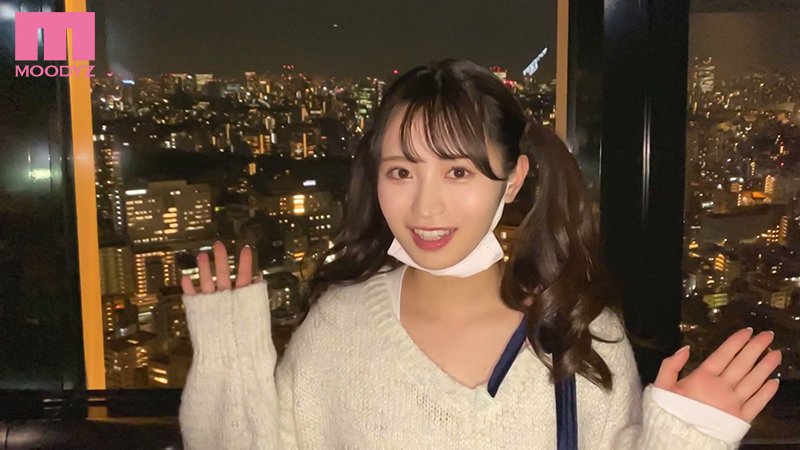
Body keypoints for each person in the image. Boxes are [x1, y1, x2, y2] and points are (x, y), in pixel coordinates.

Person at [178, 59, 781, 449]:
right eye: (401, 171)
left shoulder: (578, 332)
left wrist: (686, 437)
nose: (425, 207)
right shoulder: (338, 328)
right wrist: (230, 360)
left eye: (459, 171)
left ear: (512, 180)